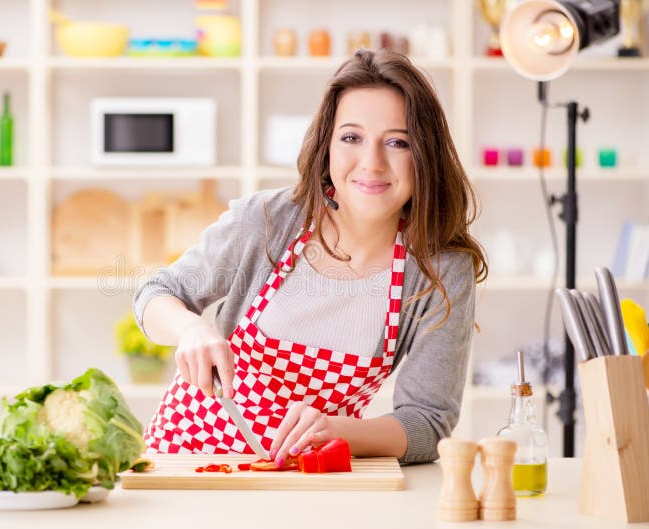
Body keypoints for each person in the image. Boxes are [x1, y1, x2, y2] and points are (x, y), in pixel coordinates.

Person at [133, 48, 487, 465]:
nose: (371, 164)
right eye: (351, 138)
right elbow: (157, 292)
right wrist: (190, 328)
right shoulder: (266, 221)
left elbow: (428, 422)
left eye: (396, 142)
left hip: (313, 476)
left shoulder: (441, 270)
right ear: (328, 147)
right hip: (188, 461)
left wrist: (339, 432)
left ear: (424, 155)